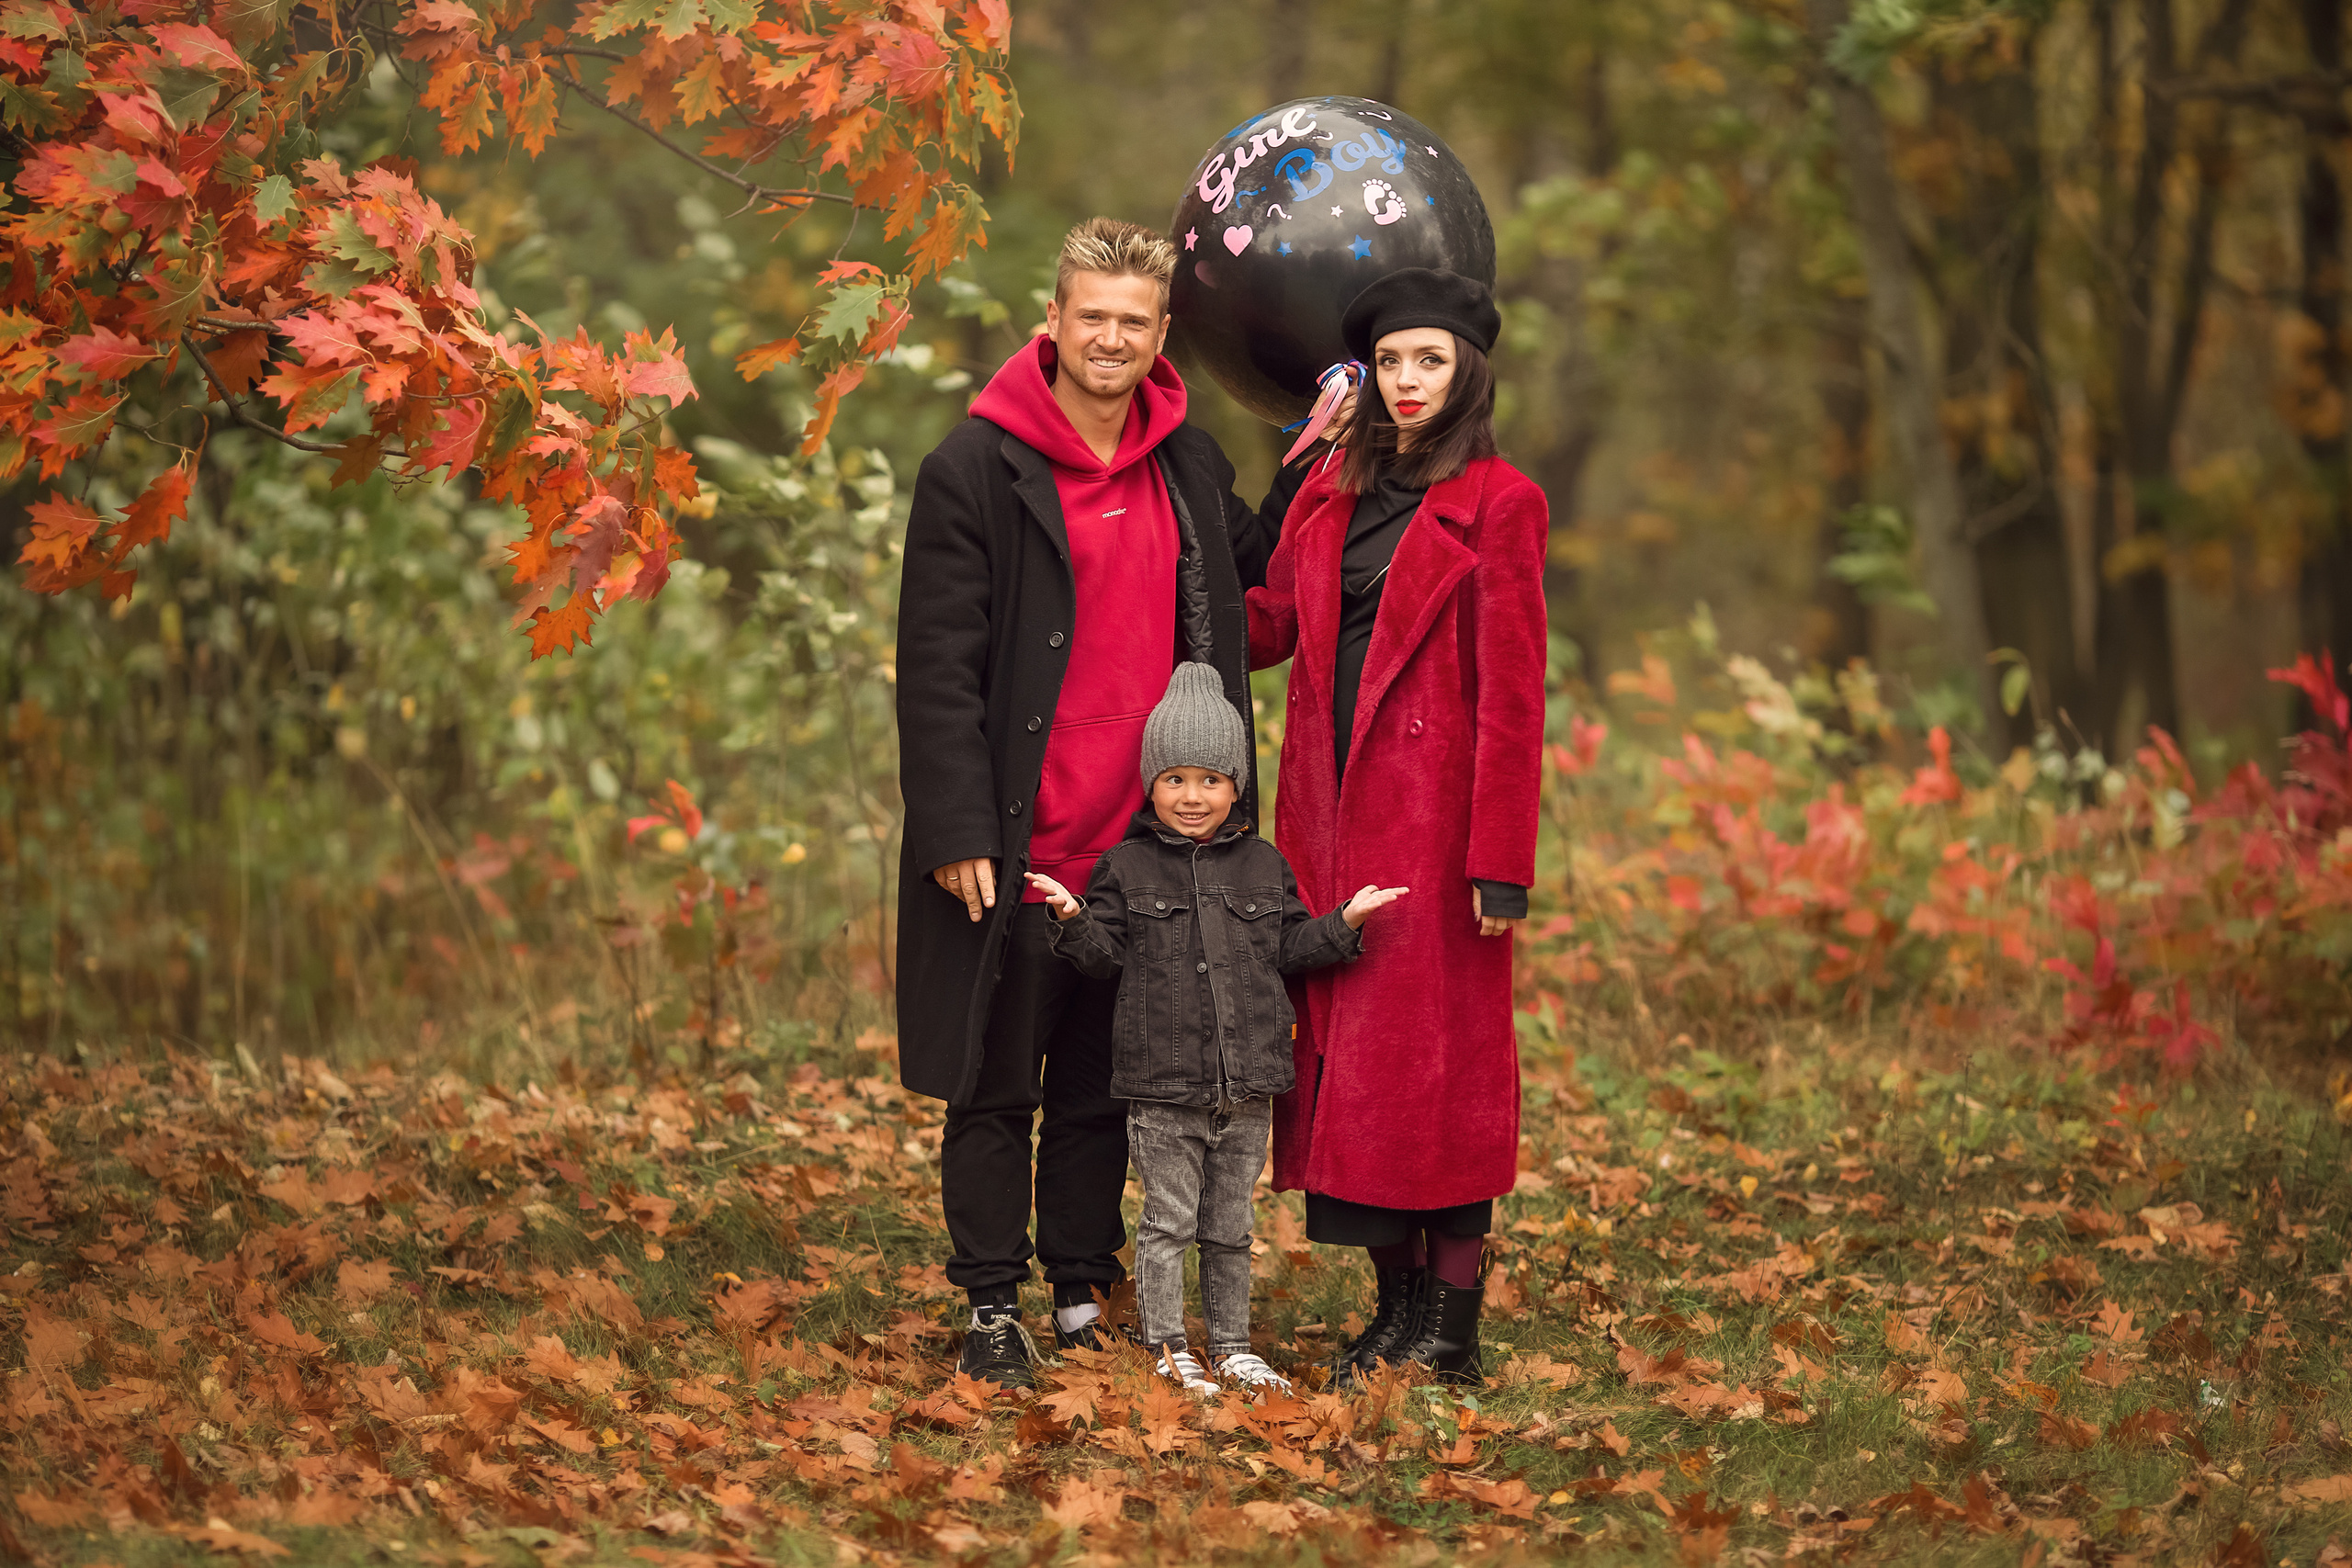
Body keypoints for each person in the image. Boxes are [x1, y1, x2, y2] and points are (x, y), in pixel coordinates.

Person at [894, 218, 1320, 1391]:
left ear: (1161, 333)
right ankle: (990, 1300)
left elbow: (1257, 580)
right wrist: (956, 831)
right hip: (1021, 843)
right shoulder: (973, 468)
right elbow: (934, 667)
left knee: (1100, 1087)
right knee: (995, 1087)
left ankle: (1080, 1282)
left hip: (1151, 856)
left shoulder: (1186, 462)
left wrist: (1317, 459)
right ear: (1055, 319)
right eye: (1094, 317)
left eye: (1136, 322)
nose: (1113, 340)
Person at [1244, 268, 1549, 1387]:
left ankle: (1452, 1328)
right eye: (1389, 362)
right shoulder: (1329, 494)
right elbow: (1270, 626)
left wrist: (1499, 864)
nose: (1408, 381)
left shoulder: (1501, 502)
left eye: (1430, 360)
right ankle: (1399, 1309)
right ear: (1363, 376)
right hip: (1324, 824)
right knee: (1342, 1079)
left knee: (1435, 1077)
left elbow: (1515, 698)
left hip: (1434, 836)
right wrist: (1177, 573)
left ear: (1467, 370)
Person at [1023, 662, 1405, 1397]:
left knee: (1229, 1226)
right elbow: (1104, 959)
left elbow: (1292, 947)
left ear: (1235, 785)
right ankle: (1169, 1347)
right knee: (1167, 1222)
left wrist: (1345, 923)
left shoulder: (1263, 865)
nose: (1191, 796)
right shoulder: (1125, 868)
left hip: (1249, 1082)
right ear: (1150, 785)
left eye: (1209, 779)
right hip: (1164, 1086)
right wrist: (1070, 919)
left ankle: (1232, 1345)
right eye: (1174, 779)